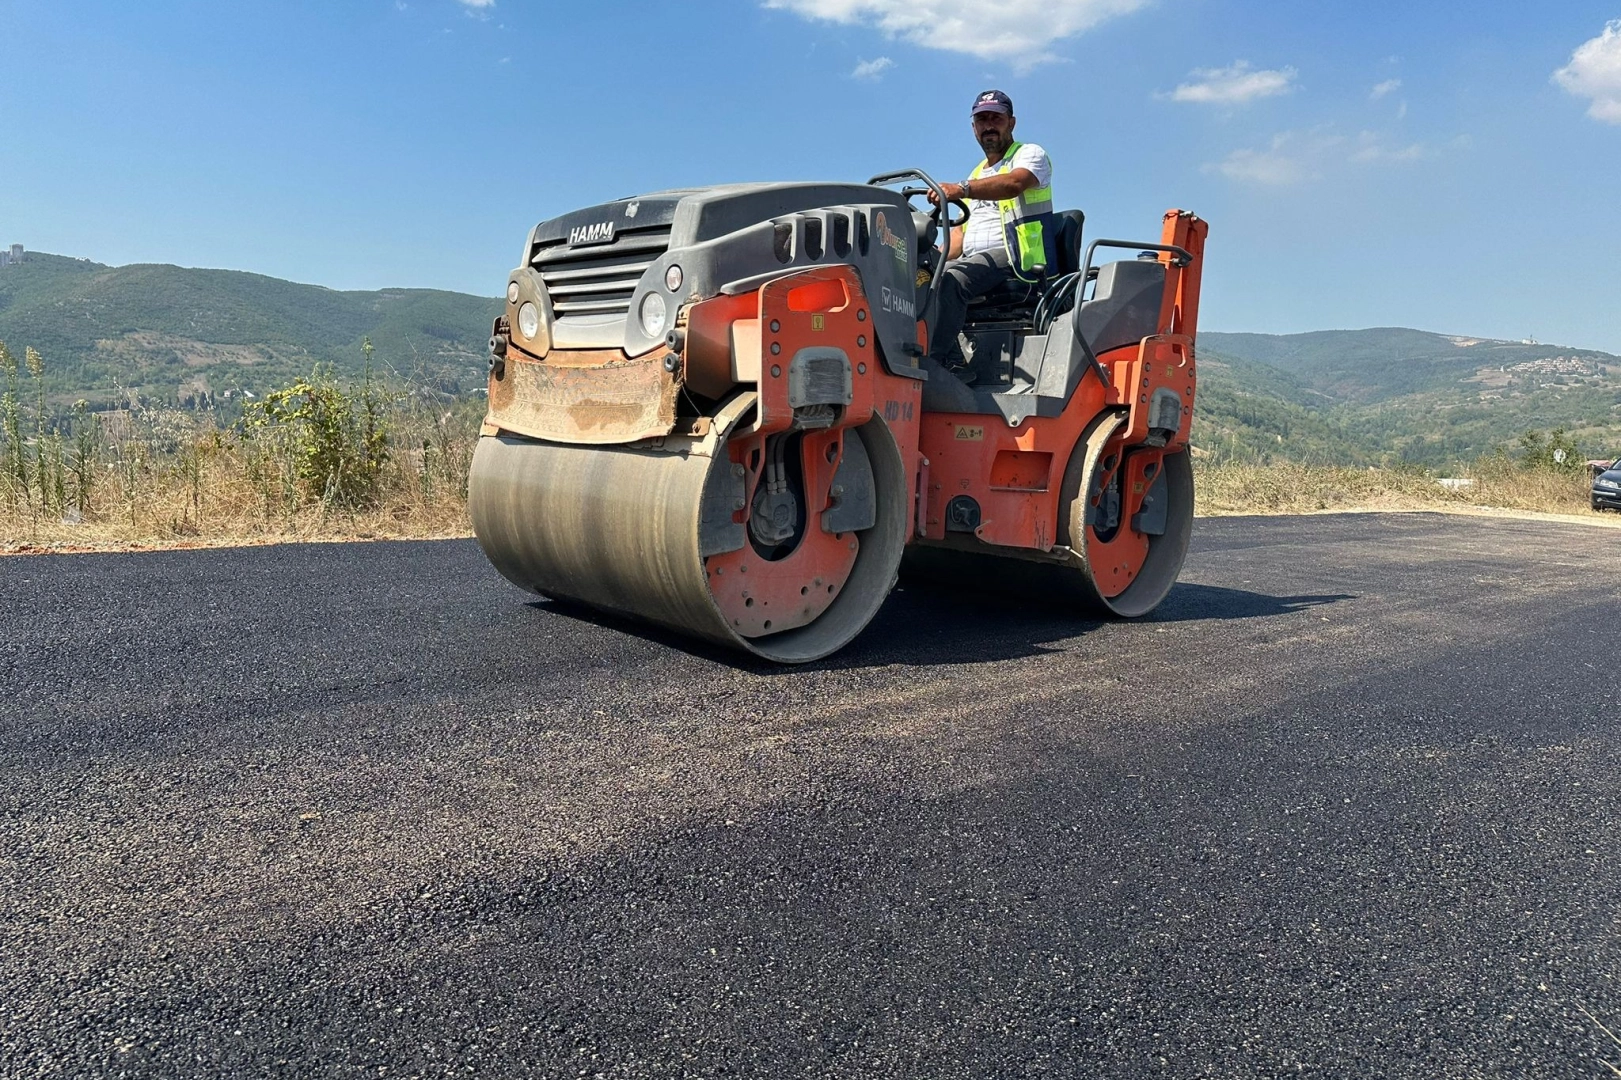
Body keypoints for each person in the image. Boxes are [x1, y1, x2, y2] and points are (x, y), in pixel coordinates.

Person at [926, 89, 1056, 383]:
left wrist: (962, 188)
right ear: (974, 128)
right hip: (978, 260)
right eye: (981, 119)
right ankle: (951, 359)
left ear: (1011, 122)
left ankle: (937, 362)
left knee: (952, 279)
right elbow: (960, 236)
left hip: (1017, 257)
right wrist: (927, 256)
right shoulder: (976, 173)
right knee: (924, 276)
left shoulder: (1029, 155)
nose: (988, 125)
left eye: (995, 118)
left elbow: (1013, 184)